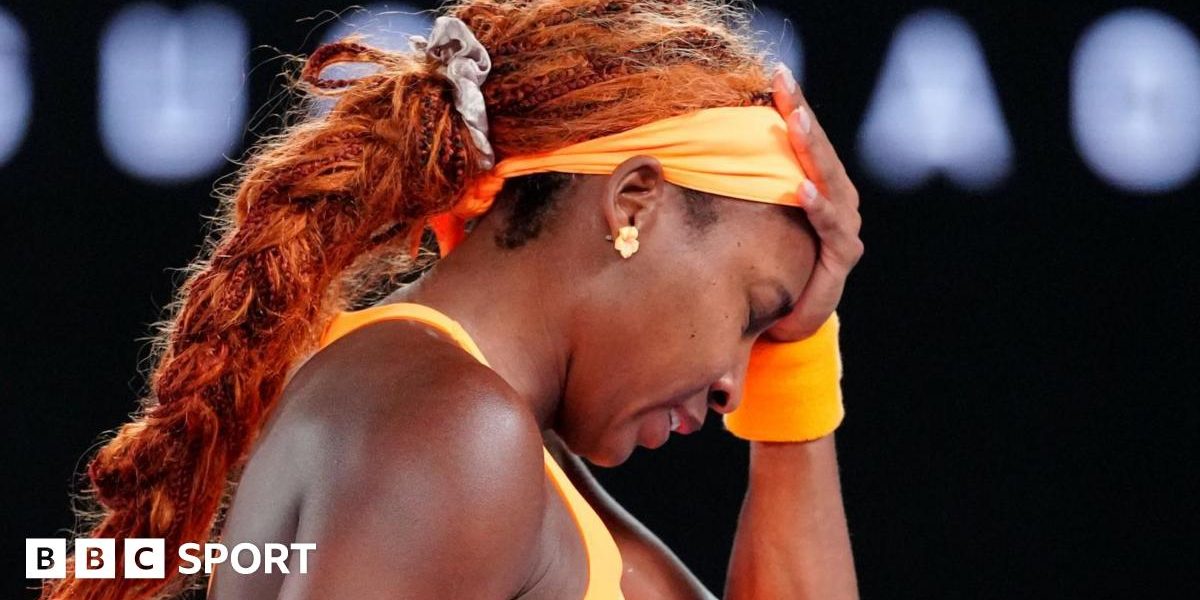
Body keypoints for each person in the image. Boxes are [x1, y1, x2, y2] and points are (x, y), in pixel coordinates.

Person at [42, 1, 864, 598]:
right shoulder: (455, 429)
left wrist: (799, 347)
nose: (733, 383)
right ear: (634, 204)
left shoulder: (480, 428)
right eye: (754, 313)